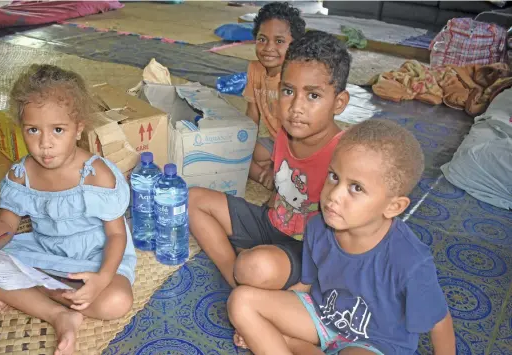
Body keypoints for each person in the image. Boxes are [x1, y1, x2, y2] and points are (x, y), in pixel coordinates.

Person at [227, 119, 456, 355]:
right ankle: (291, 344)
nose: (333, 195)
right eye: (334, 176)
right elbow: (305, 284)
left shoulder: (410, 261)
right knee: (241, 301)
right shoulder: (319, 225)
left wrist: (266, 332)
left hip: (373, 344)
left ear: (394, 206)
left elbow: (439, 322)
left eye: (356, 188)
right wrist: (267, 316)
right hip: (321, 317)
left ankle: (290, 344)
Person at [0, 64, 136, 355]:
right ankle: (59, 314)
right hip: (45, 251)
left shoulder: (98, 176)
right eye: (33, 130)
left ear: (79, 127)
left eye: (58, 130)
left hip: (97, 254)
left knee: (116, 302)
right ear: (22, 128)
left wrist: (102, 280)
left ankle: (32, 295)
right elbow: (7, 222)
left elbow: (117, 236)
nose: (45, 144)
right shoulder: (21, 174)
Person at [189, 30, 351, 291]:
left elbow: (348, 243)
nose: (296, 107)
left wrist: (306, 288)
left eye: (313, 96)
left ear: (339, 102)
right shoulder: (286, 133)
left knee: (255, 267)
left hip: (308, 250)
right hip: (273, 222)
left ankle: (253, 277)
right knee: (193, 199)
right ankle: (238, 280)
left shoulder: (345, 156)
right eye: (288, 91)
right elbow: (279, 190)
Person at [244, 2, 306, 189]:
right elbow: (252, 112)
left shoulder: (294, 78)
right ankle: (271, 178)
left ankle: (274, 176)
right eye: (262, 39)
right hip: (274, 140)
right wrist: (243, 145)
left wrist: (275, 163)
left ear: (293, 45)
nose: (268, 47)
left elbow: (294, 130)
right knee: (238, 156)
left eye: (279, 41)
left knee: (303, 172)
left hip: (297, 143)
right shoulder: (254, 69)